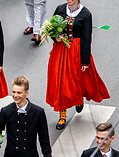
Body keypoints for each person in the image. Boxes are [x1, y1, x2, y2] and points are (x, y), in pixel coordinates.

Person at [46, 0, 110, 130]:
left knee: (76, 79)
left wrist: (85, 61)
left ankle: (79, 98)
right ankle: (62, 115)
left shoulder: (86, 14)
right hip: (60, 50)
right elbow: (50, 27)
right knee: (60, 82)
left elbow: (87, 38)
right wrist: (56, 37)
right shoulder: (60, 9)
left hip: (76, 51)